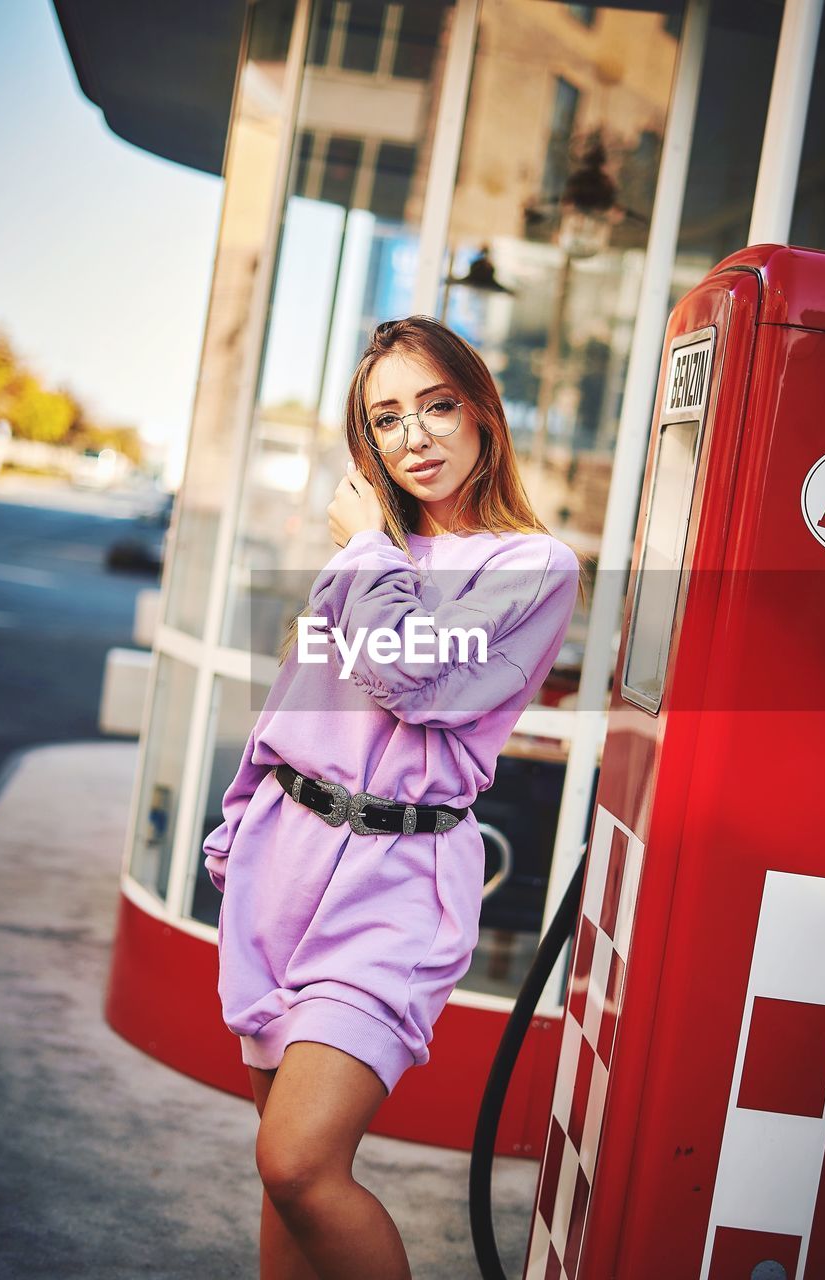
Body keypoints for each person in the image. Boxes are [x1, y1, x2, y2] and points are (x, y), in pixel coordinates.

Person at [203, 315, 583, 1279]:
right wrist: (238, 827)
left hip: (397, 878)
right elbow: (299, 697)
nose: (413, 436)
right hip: (280, 862)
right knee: (280, 1171)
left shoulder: (527, 566)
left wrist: (366, 551)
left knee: (301, 1162)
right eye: (385, 419)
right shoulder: (365, 552)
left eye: (437, 405)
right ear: (364, 441)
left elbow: (414, 678)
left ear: (483, 415)